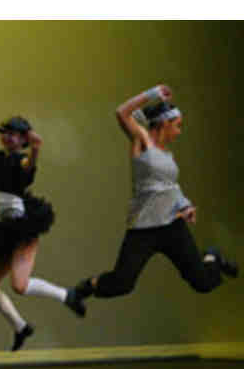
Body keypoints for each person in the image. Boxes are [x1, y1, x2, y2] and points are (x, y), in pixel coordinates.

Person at [70, 84, 238, 307]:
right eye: (177, 126)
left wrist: (184, 205)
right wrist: (153, 94)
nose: (179, 132)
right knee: (122, 283)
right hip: (144, 228)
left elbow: (169, 186)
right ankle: (85, 287)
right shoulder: (142, 141)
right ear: (164, 123)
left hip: (172, 225)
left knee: (203, 282)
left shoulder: (168, 155)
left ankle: (212, 257)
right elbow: (122, 112)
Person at [0, 118, 85, 351]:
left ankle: (67, 295)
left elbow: (29, 165)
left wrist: (36, 149)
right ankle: (21, 327)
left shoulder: (22, 160)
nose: (7, 137)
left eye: (12, 134)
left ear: (23, 139)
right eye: (5, 133)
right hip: (1, 229)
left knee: (19, 286)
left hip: (22, 229)